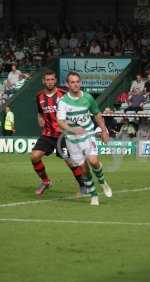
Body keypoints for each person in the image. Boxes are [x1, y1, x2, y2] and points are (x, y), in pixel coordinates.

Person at [57, 71, 112, 206]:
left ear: (80, 83)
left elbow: (97, 114)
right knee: (83, 169)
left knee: (93, 161)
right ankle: (93, 195)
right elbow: (60, 122)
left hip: (88, 135)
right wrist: (72, 129)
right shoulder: (63, 101)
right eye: (72, 82)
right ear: (67, 84)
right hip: (72, 139)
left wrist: (104, 130)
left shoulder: (88, 97)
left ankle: (103, 182)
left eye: (77, 82)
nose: (75, 85)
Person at [31, 70, 86, 196]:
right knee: (34, 156)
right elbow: (40, 112)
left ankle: (83, 186)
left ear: (55, 81)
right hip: (47, 134)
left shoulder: (64, 95)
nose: (50, 82)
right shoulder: (39, 96)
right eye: (47, 80)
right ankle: (46, 182)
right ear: (43, 81)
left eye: (52, 79)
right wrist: (39, 118)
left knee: (69, 161)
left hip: (63, 135)